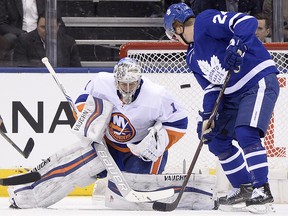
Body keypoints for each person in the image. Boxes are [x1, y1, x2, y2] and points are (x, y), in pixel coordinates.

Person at [8, 57, 188, 208]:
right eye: (122, 84)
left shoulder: (157, 96)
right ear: (115, 80)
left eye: (131, 84)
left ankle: (111, 185)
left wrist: (161, 140)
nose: (126, 88)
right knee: (70, 170)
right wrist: (85, 121)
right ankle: (26, 196)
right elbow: (82, 102)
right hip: (106, 144)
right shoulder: (102, 82)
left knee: (130, 203)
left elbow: (180, 122)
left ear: (139, 80)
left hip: (139, 154)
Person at [163, 2, 279, 213]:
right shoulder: (191, 57)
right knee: (215, 139)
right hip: (232, 94)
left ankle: (261, 190)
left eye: (173, 34)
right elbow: (211, 88)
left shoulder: (205, 21)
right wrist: (208, 117)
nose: (175, 40)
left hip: (257, 80)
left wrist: (237, 43)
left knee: (246, 133)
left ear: (178, 27)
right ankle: (244, 187)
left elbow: (246, 21)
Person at [13, 13, 81, 67]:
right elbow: (20, 68)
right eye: (43, 27)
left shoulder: (69, 42)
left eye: (51, 27)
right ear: (37, 26)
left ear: (58, 26)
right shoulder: (24, 41)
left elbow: (76, 70)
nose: (47, 31)